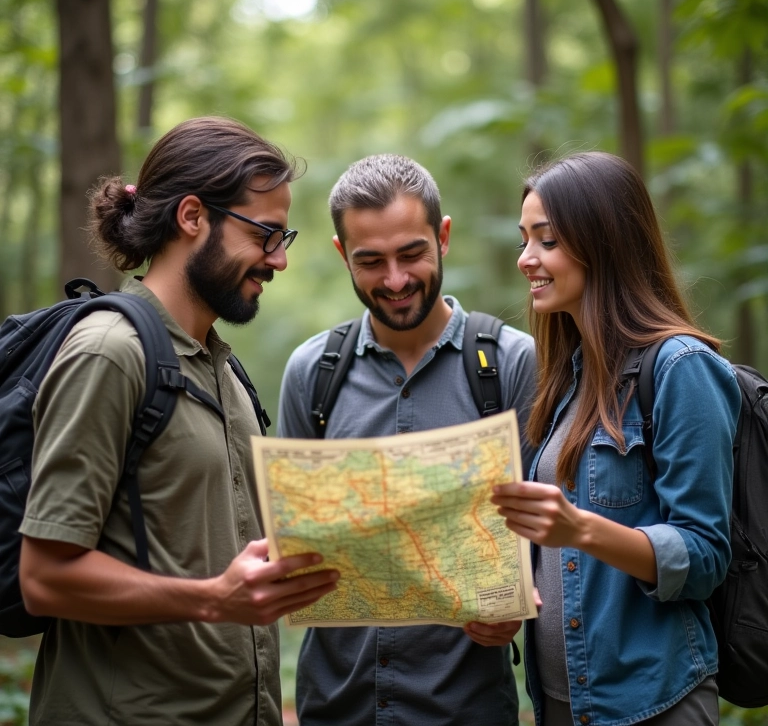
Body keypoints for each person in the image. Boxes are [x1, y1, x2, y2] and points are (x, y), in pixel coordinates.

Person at [19, 116, 339, 726]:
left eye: (284, 238)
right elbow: (46, 578)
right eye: (265, 234)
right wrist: (215, 600)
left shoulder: (225, 371)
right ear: (193, 217)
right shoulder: (110, 352)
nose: (278, 260)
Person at [277, 153, 537, 725]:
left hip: (466, 707)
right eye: (371, 261)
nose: (395, 280)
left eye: (411, 254)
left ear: (443, 237)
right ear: (343, 254)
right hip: (334, 706)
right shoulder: (311, 372)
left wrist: (519, 605)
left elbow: (550, 536)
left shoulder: (512, 363)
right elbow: (295, 545)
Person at [492, 151, 742, 726]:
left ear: (604, 242)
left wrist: (579, 528)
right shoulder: (566, 377)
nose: (525, 259)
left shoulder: (681, 368)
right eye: (524, 239)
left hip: (654, 702)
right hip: (561, 702)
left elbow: (704, 554)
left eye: (546, 241)